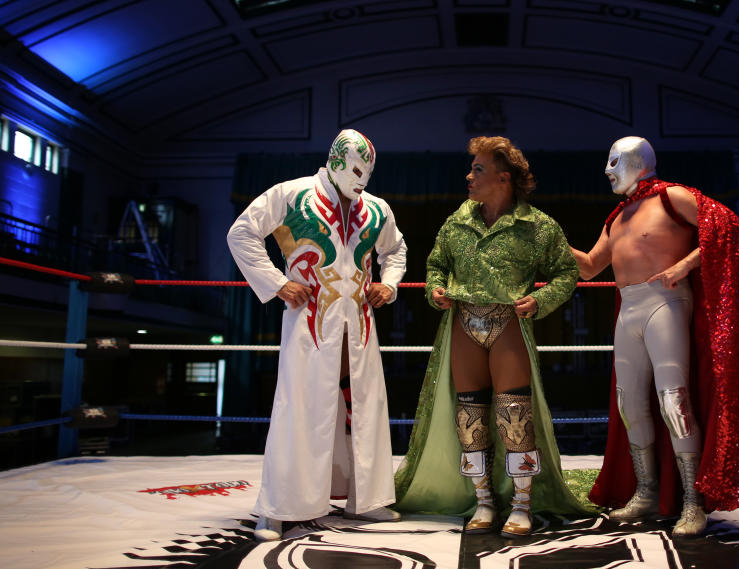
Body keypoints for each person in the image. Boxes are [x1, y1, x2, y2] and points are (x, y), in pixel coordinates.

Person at [393, 136, 586, 537]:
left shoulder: (538, 226)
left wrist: (540, 300)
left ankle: (521, 504)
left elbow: (567, 273)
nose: (469, 175)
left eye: (477, 169)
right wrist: (435, 290)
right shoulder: (456, 222)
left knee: (516, 416)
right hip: (463, 323)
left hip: (509, 324)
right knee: (470, 416)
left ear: (503, 178)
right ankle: (482, 501)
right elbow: (435, 266)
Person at [572, 136, 739, 536]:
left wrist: (685, 266)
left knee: (674, 400)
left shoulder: (672, 197)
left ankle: (693, 502)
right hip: (629, 307)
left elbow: (730, 228)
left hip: (666, 302)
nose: (607, 170)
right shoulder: (617, 217)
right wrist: (547, 238)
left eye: (614, 161)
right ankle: (646, 491)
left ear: (637, 163)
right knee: (629, 405)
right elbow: (589, 267)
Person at [227, 129, 407, 541]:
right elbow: (242, 233)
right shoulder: (292, 194)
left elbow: (395, 251)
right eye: (357, 169)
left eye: (369, 172)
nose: (362, 180)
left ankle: (367, 499)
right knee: (298, 406)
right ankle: (277, 507)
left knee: (364, 405)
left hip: (359, 323)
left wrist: (389, 284)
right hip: (310, 320)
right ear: (339, 161)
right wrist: (276, 283)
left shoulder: (375, 209)